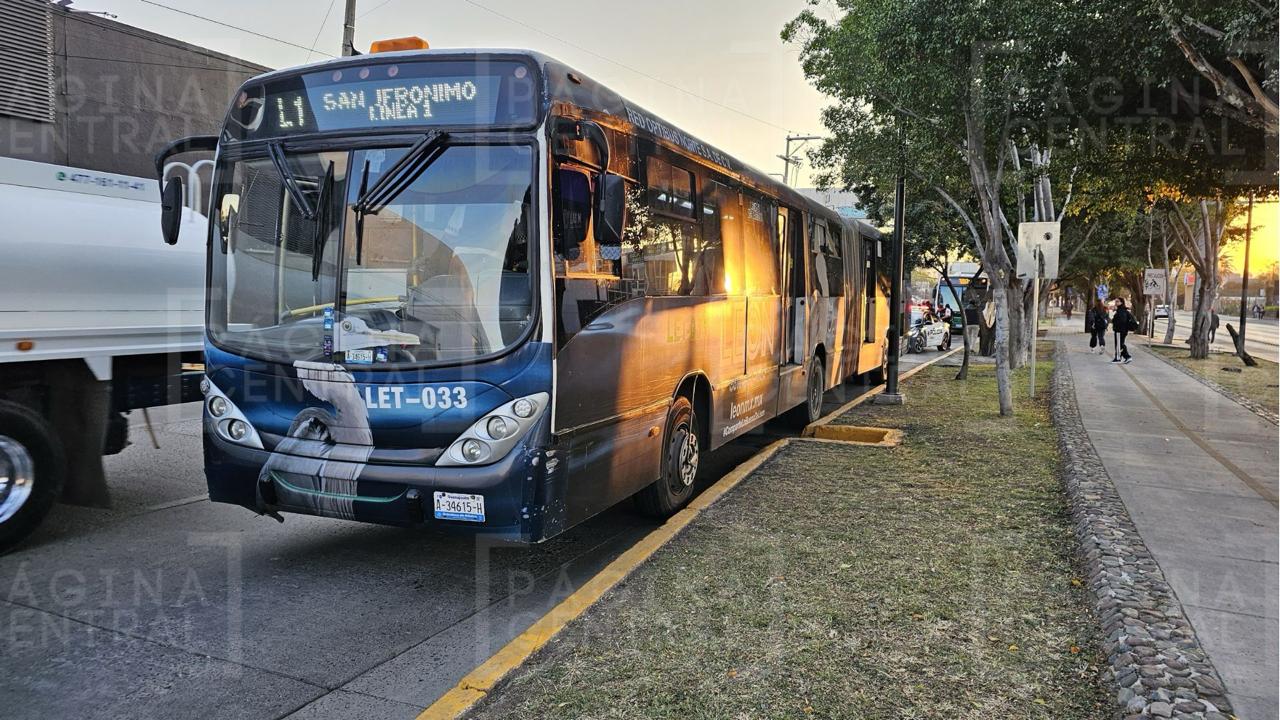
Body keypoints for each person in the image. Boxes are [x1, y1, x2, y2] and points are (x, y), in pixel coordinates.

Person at [1111, 298, 1137, 364]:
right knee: (1119, 344)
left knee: (1120, 344)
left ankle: (1123, 357)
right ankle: (1122, 357)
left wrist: (1115, 323)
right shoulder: (1121, 310)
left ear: (1121, 302)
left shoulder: (1121, 311)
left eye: (1117, 301)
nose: (1116, 303)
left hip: (1120, 330)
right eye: (1115, 301)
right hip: (1121, 330)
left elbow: (1122, 321)